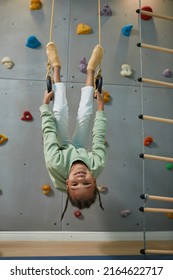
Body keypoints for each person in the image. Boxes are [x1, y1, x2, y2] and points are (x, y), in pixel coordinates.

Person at [40, 42, 107, 220]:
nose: (79, 178)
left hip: (62, 151)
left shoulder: (55, 163)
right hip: (79, 151)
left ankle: (55, 67)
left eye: (75, 184)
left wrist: (45, 105)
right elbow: (98, 136)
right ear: (94, 180)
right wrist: (100, 105)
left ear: (67, 184)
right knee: (85, 114)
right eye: (86, 183)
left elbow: (48, 134)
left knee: (60, 111)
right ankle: (91, 69)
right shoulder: (97, 164)